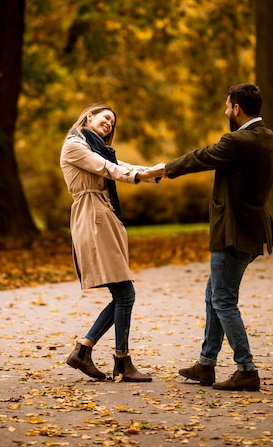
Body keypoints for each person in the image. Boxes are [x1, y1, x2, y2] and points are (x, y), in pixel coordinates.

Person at [164, 83, 273, 391]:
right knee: (214, 296)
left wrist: (164, 169)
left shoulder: (238, 140)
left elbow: (201, 157)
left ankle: (246, 368)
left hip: (234, 232)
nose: (225, 110)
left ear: (237, 109)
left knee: (223, 300)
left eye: (227, 106)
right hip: (250, 229)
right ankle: (206, 364)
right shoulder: (267, 137)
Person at [60, 102, 165, 382]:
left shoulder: (95, 147)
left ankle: (86, 351)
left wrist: (151, 171)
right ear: (89, 116)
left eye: (112, 123)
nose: (109, 124)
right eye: (105, 118)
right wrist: (141, 175)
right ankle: (119, 360)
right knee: (125, 292)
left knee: (122, 293)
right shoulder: (75, 145)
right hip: (93, 215)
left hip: (103, 213)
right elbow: (106, 168)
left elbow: (118, 165)